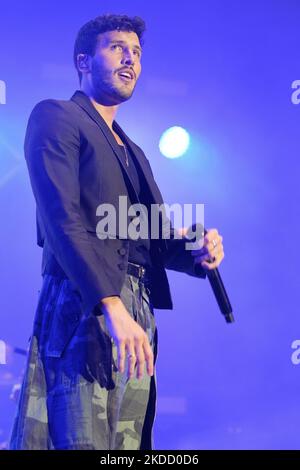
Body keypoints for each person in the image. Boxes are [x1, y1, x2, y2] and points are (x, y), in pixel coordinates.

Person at [9, 14, 224, 450]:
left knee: (125, 446)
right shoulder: (57, 116)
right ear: (83, 61)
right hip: (85, 301)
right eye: (117, 48)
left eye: (137, 52)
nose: (130, 59)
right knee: (80, 438)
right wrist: (110, 303)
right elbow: (61, 218)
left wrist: (197, 250)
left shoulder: (135, 151)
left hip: (137, 310)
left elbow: (152, 239)